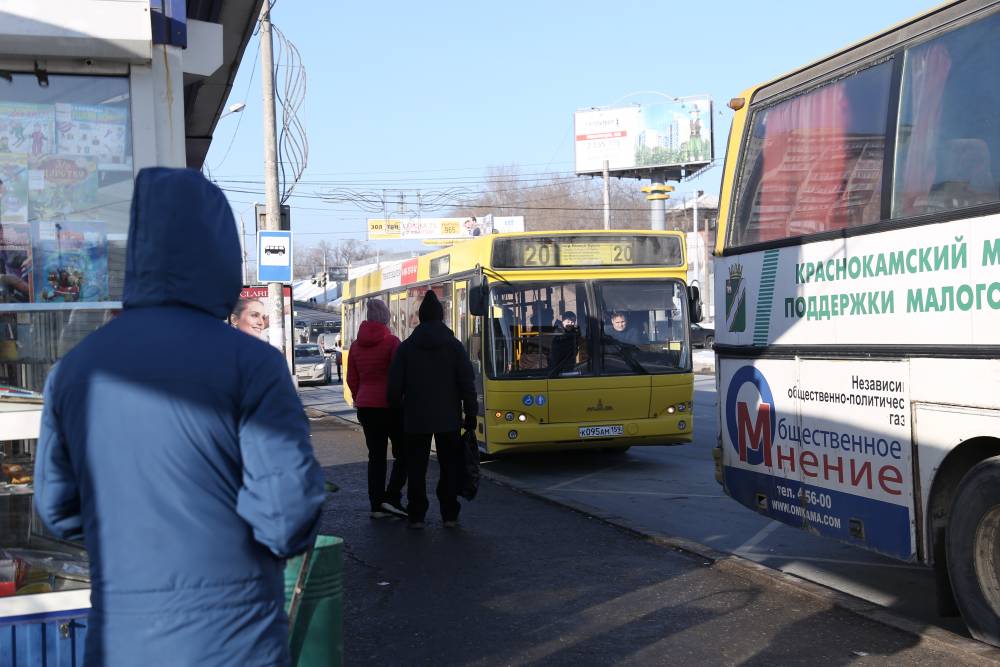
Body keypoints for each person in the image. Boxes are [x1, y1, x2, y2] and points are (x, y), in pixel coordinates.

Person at [33, 168, 326, 666]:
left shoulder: (74, 371)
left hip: (120, 643)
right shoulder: (253, 365)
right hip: (237, 642)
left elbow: (57, 509)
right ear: (219, 254)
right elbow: (285, 517)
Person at [387, 290, 477, 529]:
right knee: (449, 466)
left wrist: (396, 412)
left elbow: (394, 387)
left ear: (421, 317)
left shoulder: (406, 348)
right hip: (448, 418)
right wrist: (470, 413)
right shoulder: (455, 347)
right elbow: (467, 383)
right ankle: (449, 514)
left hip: (415, 418)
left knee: (417, 468)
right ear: (441, 317)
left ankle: (417, 515)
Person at [347, 298, 407, 519]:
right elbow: (398, 376)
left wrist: (359, 397)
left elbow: (351, 379)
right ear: (385, 318)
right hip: (390, 406)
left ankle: (376, 506)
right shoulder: (392, 342)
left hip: (366, 407)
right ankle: (391, 497)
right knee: (404, 452)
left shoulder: (355, 345)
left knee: (376, 456)